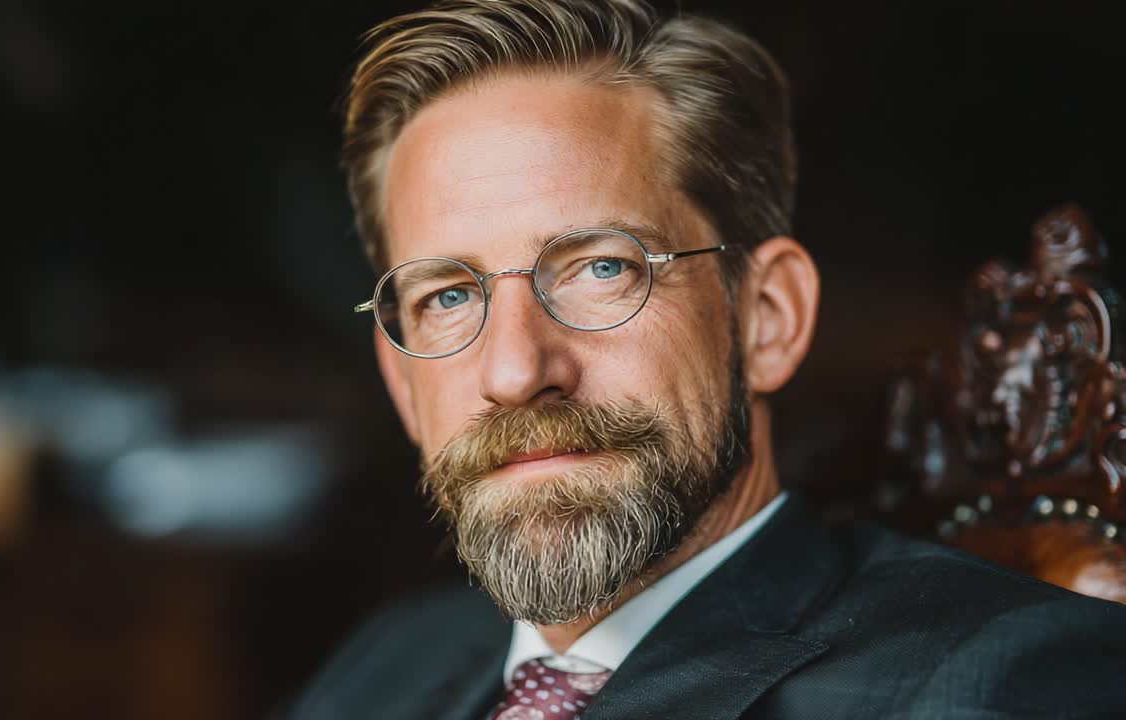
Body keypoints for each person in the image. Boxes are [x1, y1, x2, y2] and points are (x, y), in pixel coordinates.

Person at [292, 1, 1126, 717]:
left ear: (766, 318)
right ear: (402, 377)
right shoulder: (383, 667)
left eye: (600, 268)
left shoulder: (998, 683)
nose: (514, 372)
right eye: (448, 296)